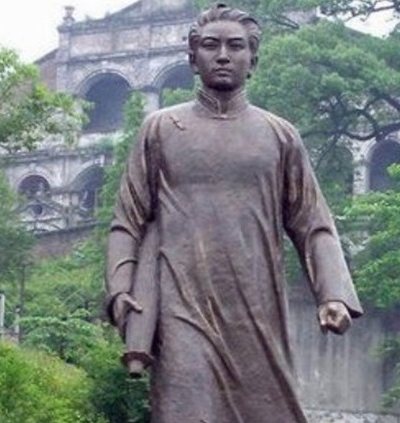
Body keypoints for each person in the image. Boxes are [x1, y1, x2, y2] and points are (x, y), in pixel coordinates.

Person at [104, 3, 363, 422]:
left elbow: (313, 222)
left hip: (256, 309)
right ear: (193, 58)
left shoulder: (280, 136)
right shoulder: (160, 129)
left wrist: (332, 293)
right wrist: (120, 290)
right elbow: (127, 221)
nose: (223, 55)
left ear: (252, 60)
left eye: (235, 46)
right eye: (211, 45)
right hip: (180, 306)